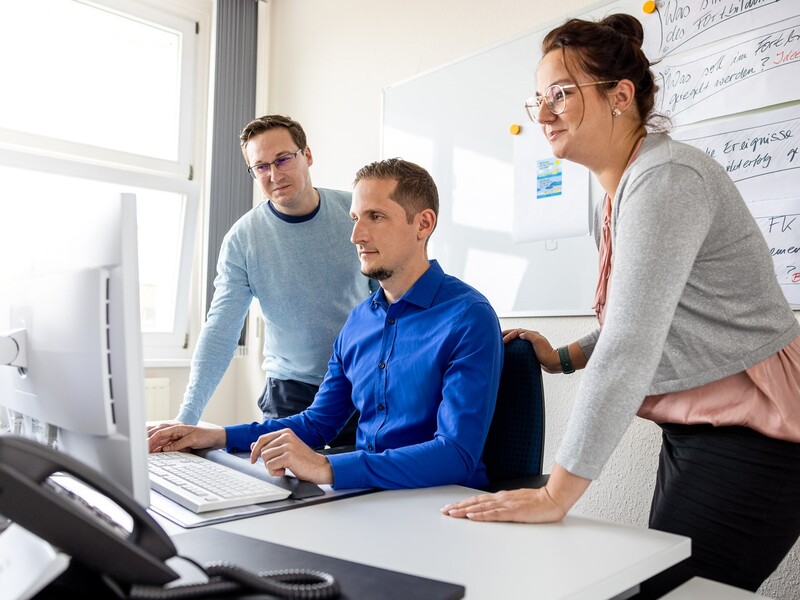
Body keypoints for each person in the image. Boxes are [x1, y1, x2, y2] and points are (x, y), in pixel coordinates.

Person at [441, 13, 800, 598]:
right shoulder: (629, 184)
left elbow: (633, 343)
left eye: (561, 93)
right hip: (706, 434)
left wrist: (556, 493)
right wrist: (564, 356)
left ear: (621, 96)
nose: (544, 113)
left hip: (757, 436)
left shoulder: (665, 179)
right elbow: (646, 319)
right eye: (539, 99)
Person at [149, 158, 504, 490]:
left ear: (423, 224)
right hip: (366, 497)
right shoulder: (360, 321)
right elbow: (318, 423)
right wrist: (217, 436)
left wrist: (329, 469)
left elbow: (456, 455)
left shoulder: (468, 316)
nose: (357, 236)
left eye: (375, 217)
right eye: (355, 219)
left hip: (438, 506)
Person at [164, 114, 376, 447]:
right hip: (290, 392)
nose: (274, 174)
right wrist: (187, 417)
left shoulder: (354, 213)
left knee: (361, 490)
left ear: (307, 155)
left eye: (283, 159)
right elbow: (221, 328)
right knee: (286, 494)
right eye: (261, 167)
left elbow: (389, 297)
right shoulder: (243, 238)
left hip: (362, 384)